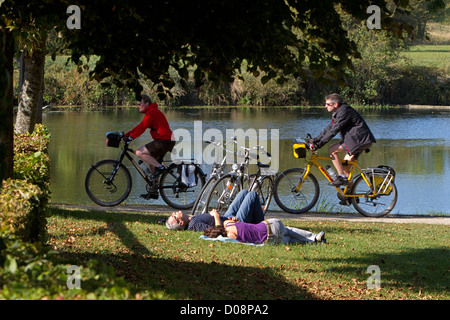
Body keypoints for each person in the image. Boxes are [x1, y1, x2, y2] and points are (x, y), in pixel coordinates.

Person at [204, 193, 325, 245]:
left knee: (287, 239)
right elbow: (223, 223)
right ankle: (314, 237)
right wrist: (220, 218)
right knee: (287, 230)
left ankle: (312, 242)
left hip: (269, 240)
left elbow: (221, 231)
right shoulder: (229, 225)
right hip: (271, 226)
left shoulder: (232, 239)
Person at [309, 93, 376, 186]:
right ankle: (351, 196)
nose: (325, 106)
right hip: (358, 141)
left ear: (335, 104)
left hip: (359, 140)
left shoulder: (345, 111)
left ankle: (341, 177)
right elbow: (329, 128)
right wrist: (315, 140)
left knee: (332, 150)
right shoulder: (339, 112)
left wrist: (318, 145)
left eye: (328, 104)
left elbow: (334, 130)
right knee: (345, 168)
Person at [123, 94, 175, 199]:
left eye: (140, 103)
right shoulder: (151, 112)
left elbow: (142, 128)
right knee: (152, 164)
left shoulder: (152, 112)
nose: (138, 105)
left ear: (147, 103)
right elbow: (139, 126)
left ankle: (160, 168)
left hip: (164, 140)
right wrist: (126, 136)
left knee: (139, 152)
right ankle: (154, 192)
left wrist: (130, 138)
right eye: (137, 104)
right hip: (165, 140)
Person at [166, 190, 266, 232]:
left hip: (227, 218)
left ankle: (254, 221)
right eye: (174, 216)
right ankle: (260, 225)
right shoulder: (194, 225)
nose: (174, 213)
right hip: (233, 225)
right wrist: (216, 215)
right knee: (252, 195)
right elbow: (217, 230)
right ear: (181, 222)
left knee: (243, 192)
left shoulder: (192, 219)